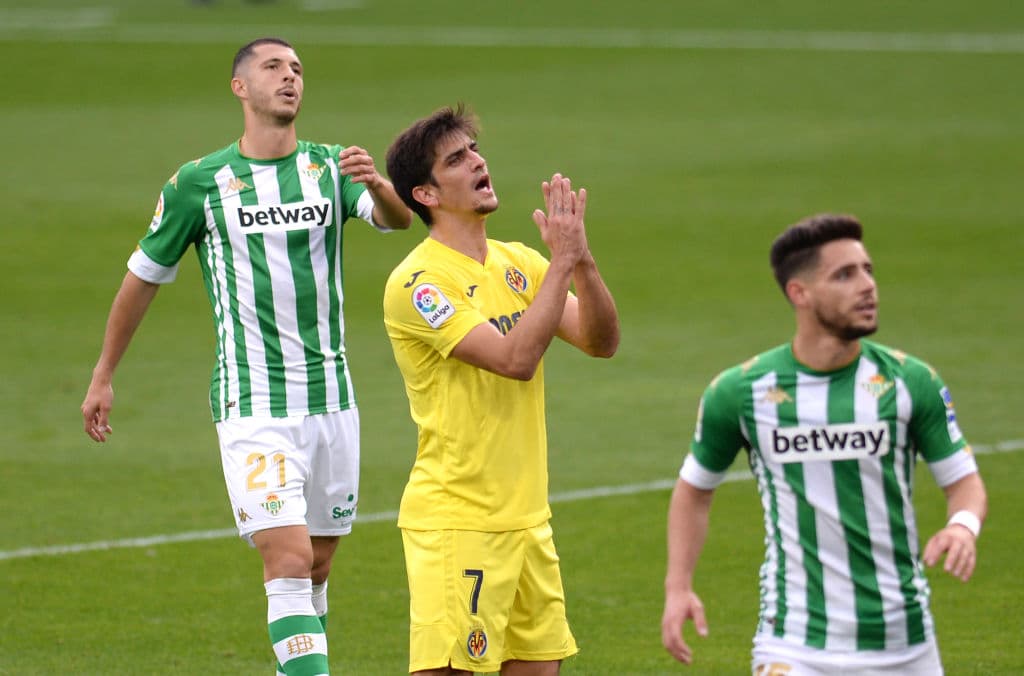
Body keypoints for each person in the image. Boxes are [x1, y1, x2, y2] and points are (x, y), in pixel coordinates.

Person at [80, 37, 412, 675]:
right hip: (252, 404)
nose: (290, 78)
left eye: (297, 69)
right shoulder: (198, 184)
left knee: (317, 566)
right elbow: (143, 275)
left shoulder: (326, 167)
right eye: (274, 67)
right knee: (285, 562)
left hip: (333, 401)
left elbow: (396, 222)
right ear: (240, 87)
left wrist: (379, 183)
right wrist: (103, 373)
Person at [661, 213, 988, 675]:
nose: (867, 286)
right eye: (845, 274)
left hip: (905, 643)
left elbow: (965, 483)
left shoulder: (911, 381)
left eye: (868, 270)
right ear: (800, 293)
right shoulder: (740, 392)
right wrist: (679, 587)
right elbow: (694, 490)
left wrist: (961, 526)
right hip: (795, 645)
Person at [381, 105, 620, 675]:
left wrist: (580, 261)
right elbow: (514, 360)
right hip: (459, 522)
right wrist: (561, 265)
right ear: (427, 194)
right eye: (456, 159)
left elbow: (600, 341)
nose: (478, 162)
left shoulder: (520, 263)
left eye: (475, 151)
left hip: (528, 520)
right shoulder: (419, 284)